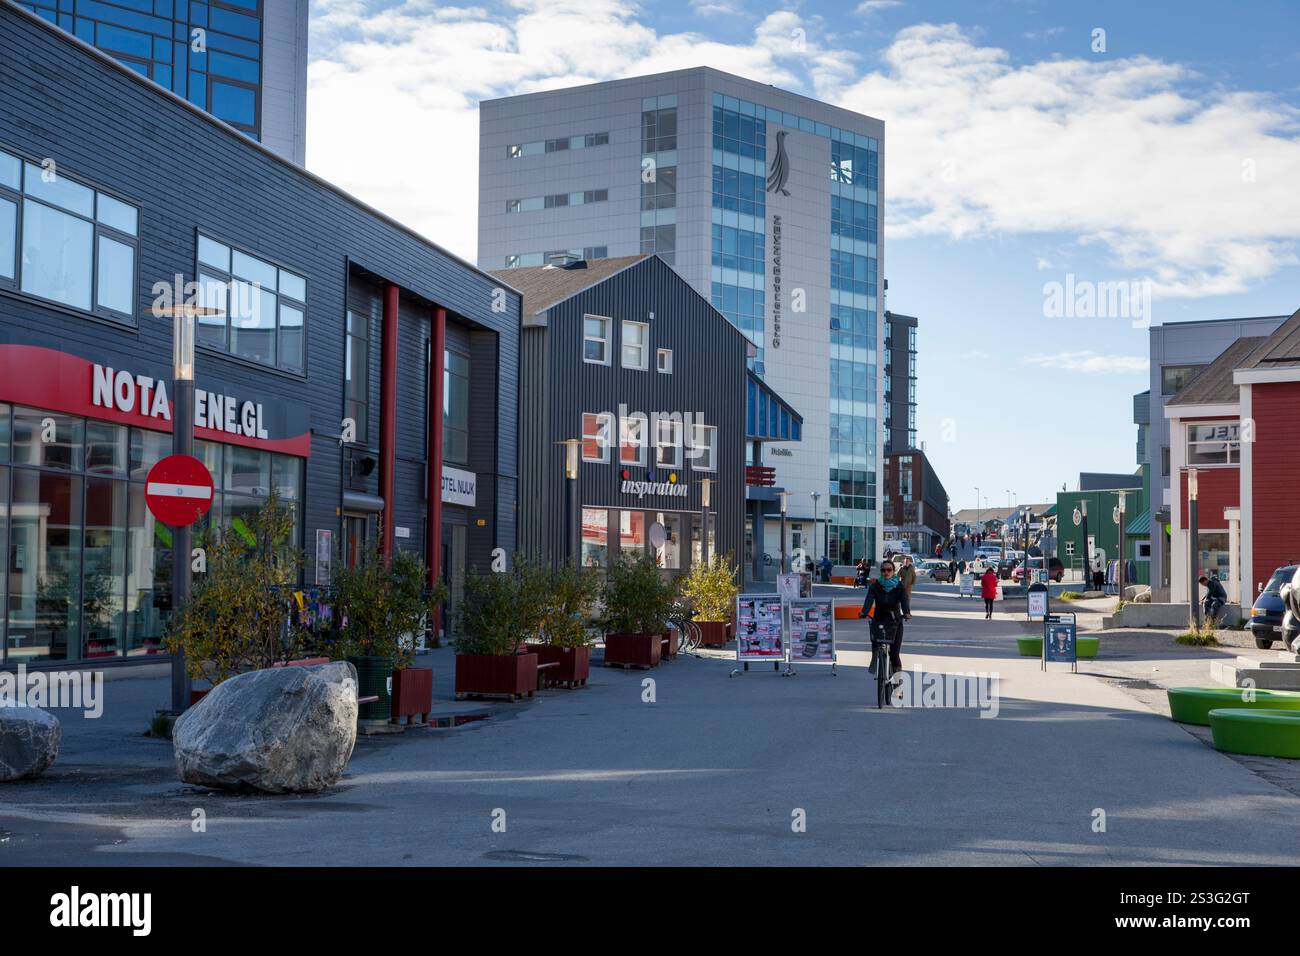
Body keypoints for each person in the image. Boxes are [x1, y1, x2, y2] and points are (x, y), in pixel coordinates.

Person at [858, 558, 912, 677]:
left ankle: (898, 684)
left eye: (889, 570)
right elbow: (869, 600)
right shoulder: (875, 586)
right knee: (875, 638)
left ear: (893, 571)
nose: (886, 572)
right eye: (883, 570)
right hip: (879, 619)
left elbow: (904, 601)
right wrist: (864, 612)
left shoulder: (899, 587)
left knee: (894, 654)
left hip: (895, 621)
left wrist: (907, 612)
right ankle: (874, 658)